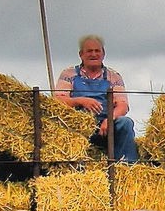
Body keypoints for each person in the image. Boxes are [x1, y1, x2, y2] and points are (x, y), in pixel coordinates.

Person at [53, 34, 138, 163]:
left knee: (126, 123)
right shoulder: (69, 74)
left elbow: (123, 105)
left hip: (105, 127)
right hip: (77, 127)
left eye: (97, 51)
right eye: (89, 51)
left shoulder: (113, 76)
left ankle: (127, 167)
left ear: (103, 54)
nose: (93, 54)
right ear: (81, 54)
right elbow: (58, 100)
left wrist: (109, 119)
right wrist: (80, 101)